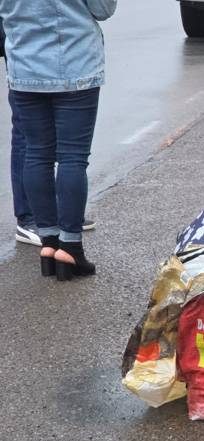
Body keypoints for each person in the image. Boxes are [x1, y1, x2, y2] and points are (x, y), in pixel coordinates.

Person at [0, 0, 116, 279]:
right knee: (72, 158)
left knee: (37, 155)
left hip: (24, 66)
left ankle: (49, 244)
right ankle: (70, 246)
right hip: (74, 66)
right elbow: (103, 9)